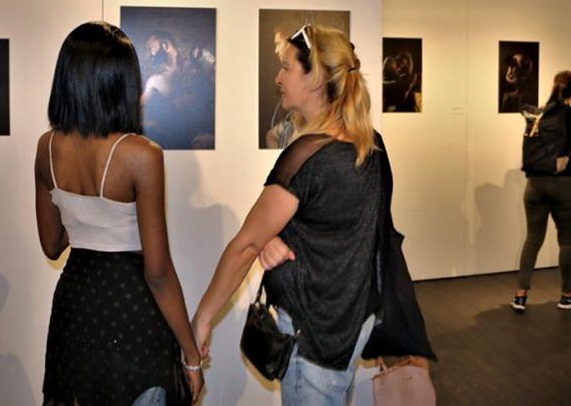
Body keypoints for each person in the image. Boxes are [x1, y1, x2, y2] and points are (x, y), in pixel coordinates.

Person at [192, 24, 383, 405]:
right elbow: (335, 224)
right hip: (349, 326)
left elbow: (245, 244)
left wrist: (202, 318)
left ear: (313, 79)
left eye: (286, 68)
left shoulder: (308, 156)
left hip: (313, 337)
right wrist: (277, 236)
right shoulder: (369, 144)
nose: (278, 78)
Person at [34, 21, 204, 405]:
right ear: (120, 81)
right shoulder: (141, 154)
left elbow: (51, 245)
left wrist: (84, 216)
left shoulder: (46, 148)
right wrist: (191, 357)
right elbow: (157, 271)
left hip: (76, 307)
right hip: (131, 312)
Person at [512, 71, 571, 312]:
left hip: (534, 184)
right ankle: (567, 295)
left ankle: (520, 295)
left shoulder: (539, 114)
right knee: (566, 241)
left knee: (533, 238)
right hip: (563, 184)